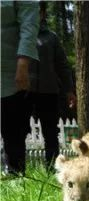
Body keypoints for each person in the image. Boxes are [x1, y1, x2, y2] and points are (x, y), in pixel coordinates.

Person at [29, 1, 76, 170]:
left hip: (48, 92)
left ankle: (53, 169)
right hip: (22, 92)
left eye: (37, 11)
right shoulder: (17, 35)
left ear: (42, 14)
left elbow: (62, 65)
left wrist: (69, 90)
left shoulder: (51, 37)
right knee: (17, 131)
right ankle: (16, 170)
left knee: (50, 133)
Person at [1, 1, 39, 177]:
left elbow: (29, 25)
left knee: (13, 130)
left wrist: (23, 63)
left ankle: (15, 176)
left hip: (11, 72)